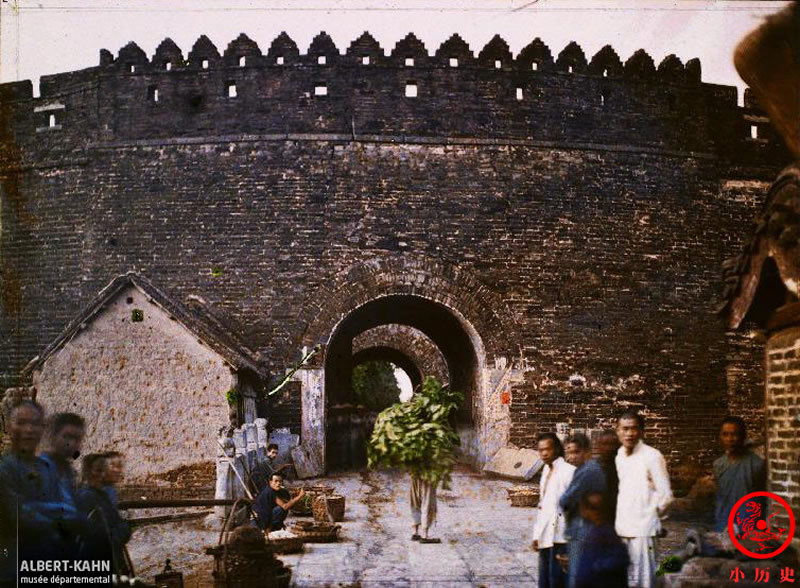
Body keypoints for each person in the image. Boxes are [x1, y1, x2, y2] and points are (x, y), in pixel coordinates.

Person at [0, 402, 87, 583]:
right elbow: (19, 514)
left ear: (43, 429)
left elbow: (71, 509)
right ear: (9, 426)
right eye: (21, 423)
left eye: (35, 424)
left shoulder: (47, 468)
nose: (29, 429)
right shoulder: (4, 469)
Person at [615, 411, 672, 588]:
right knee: (624, 578)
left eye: (634, 429)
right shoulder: (618, 456)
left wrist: (652, 516)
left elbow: (666, 496)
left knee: (646, 580)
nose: (629, 434)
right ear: (618, 431)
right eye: (625, 429)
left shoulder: (652, 456)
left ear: (641, 432)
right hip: (622, 527)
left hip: (644, 530)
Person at [559, 433, 607, 588]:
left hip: (584, 531)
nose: (570, 457)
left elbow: (565, 499)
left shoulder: (588, 471)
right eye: (568, 453)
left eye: (575, 452)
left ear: (586, 451)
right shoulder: (585, 469)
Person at [76, 453, 132, 576]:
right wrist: (123, 529)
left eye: (103, 471)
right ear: (87, 472)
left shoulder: (102, 495)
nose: (101, 475)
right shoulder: (87, 497)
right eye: (97, 471)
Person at [532, 432, 575, 588]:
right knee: (545, 581)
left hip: (562, 537)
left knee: (559, 581)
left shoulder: (568, 471)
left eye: (547, 449)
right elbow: (543, 506)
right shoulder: (545, 470)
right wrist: (537, 535)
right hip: (546, 536)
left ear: (556, 448)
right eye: (541, 450)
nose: (544, 453)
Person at [574, 492, 629, 588]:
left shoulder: (597, 536)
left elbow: (585, 573)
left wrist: (596, 567)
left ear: (591, 511)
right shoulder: (609, 532)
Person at [594, 430, 620, 519]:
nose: (609, 448)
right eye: (605, 444)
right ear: (598, 446)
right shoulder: (592, 468)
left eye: (612, 444)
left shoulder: (623, 466)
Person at [410, 473, 440, 543]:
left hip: (415, 471)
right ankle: (424, 536)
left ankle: (415, 532)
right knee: (427, 502)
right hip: (428, 473)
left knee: (415, 501)